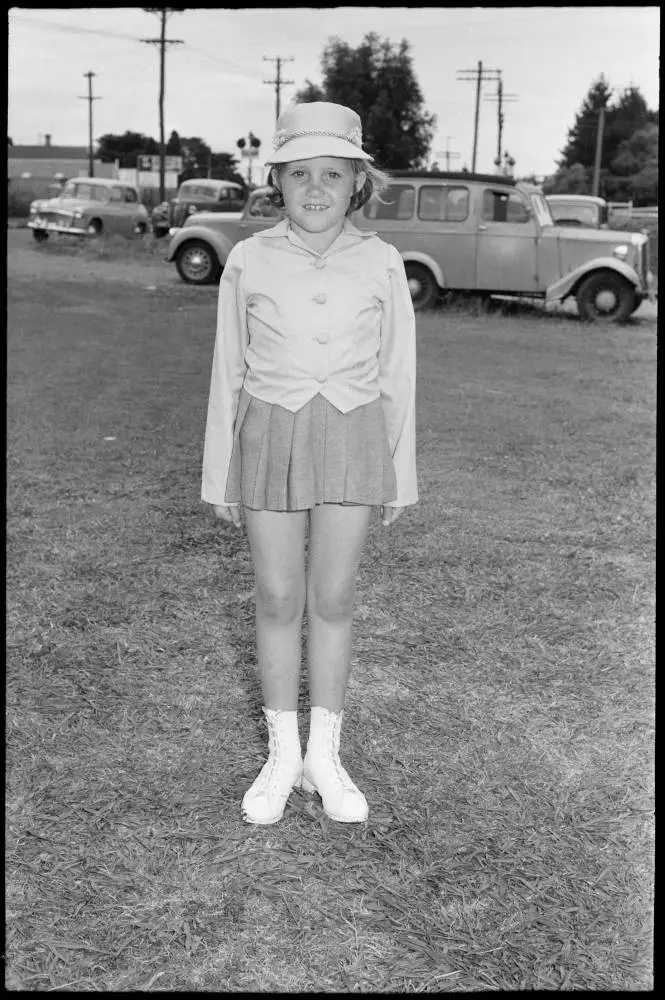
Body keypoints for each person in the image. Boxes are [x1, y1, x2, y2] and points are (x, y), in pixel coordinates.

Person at [202, 101, 418, 826]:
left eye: (332, 173)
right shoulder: (248, 259)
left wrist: (400, 473)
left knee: (332, 599)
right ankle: (281, 755)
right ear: (277, 183)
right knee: (275, 598)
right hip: (269, 434)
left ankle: (324, 756)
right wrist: (218, 472)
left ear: (358, 182)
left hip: (354, 436)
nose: (316, 188)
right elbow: (227, 370)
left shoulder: (382, 261)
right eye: (300, 174)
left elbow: (397, 375)